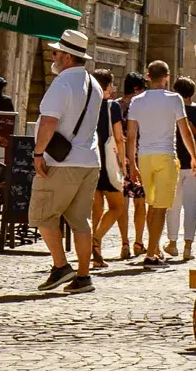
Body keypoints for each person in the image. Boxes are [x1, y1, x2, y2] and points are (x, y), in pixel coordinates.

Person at [30, 29, 101, 293]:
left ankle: (61, 266)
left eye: (56, 52)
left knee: (42, 215)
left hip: (62, 163)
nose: (53, 56)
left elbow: (49, 122)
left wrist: (38, 153)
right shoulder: (94, 85)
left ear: (68, 57)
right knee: (80, 221)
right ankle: (83, 277)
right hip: (89, 161)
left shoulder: (62, 84)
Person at [127, 61, 196, 267]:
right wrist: (194, 157)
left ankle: (154, 248)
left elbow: (131, 136)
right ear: (167, 77)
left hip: (144, 156)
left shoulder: (137, 101)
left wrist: (132, 164)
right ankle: (151, 254)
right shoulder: (174, 99)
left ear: (148, 76)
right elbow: (185, 131)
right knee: (160, 207)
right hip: (165, 155)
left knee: (152, 206)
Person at [164, 76, 196, 261]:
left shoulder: (170, 111)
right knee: (192, 206)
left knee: (173, 206)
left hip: (174, 160)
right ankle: (188, 247)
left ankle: (172, 243)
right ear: (193, 93)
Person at [89, 70, 128, 268]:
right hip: (107, 162)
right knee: (116, 207)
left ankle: (96, 255)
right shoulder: (112, 106)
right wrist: (123, 164)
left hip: (89, 160)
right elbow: (119, 138)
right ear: (108, 86)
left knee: (96, 211)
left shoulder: (86, 105)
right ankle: (95, 240)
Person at [118, 71, 148, 257]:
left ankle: (124, 244)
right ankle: (138, 242)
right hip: (138, 158)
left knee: (122, 203)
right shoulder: (141, 108)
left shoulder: (116, 106)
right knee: (140, 202)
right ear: (137, 89)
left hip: (119, 160)